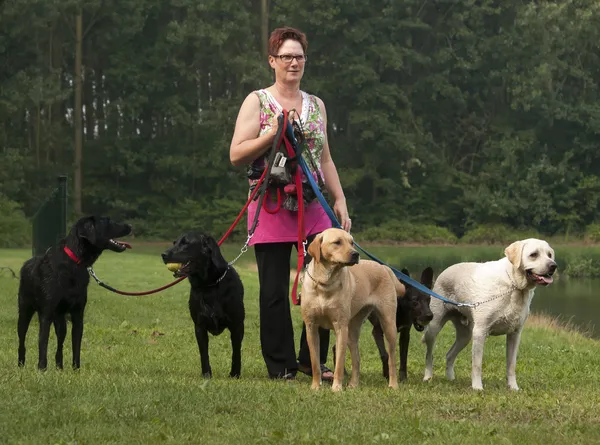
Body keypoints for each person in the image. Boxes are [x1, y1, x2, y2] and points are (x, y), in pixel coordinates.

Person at [229, 26, 351, 380]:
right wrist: (272, 133)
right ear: (272, 61)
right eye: (286, 56)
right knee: (274, 290)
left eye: (299, 56)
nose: (293, 62)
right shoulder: (258, 101)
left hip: (311, 204)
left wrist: (339, 199)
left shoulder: (317, 105)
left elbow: (324, 158)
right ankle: (280, 364)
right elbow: (236, 154)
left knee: (326, 279)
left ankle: (313, 359)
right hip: (270, 204)